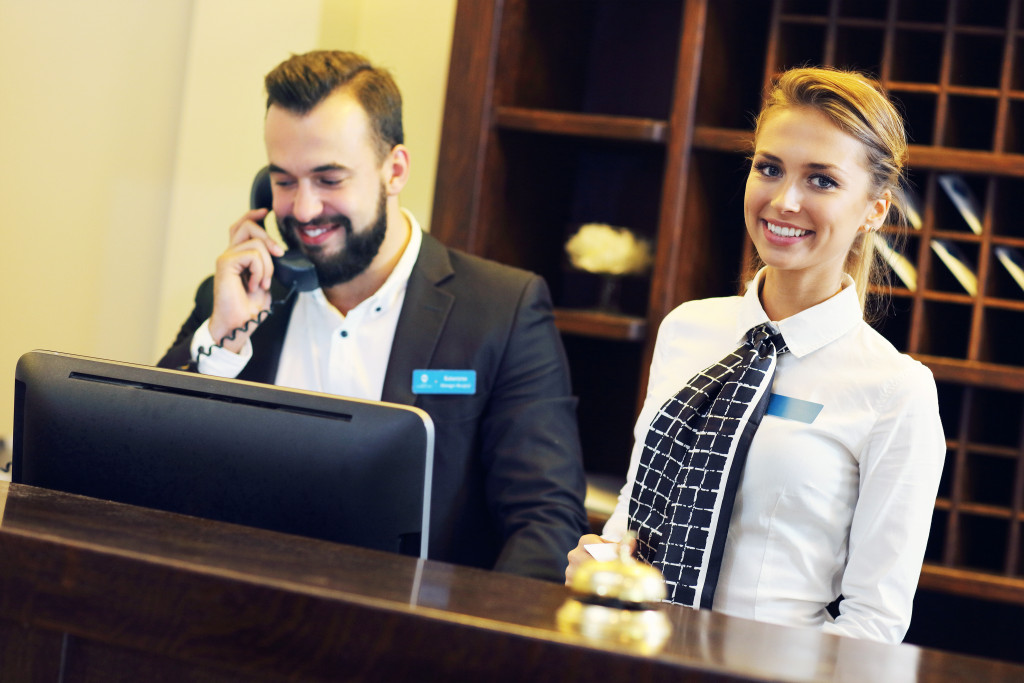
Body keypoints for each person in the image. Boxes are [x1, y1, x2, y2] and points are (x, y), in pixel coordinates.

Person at [159, 50, 587, 583]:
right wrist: (222, 344)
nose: (306, 210)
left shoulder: (505, 308)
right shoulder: (233, 302)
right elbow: (148, 474)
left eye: (329, 179)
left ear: (394, 170)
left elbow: (546, 523)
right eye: (284, 181)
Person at [565, 67, 945, 643]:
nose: (784, 200)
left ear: (874, 211)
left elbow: (875, 623)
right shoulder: (687, 329)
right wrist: (600, 561)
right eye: (769, 169)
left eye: (822, 180)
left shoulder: (896, 391)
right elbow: (637, 505)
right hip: (629, 654)